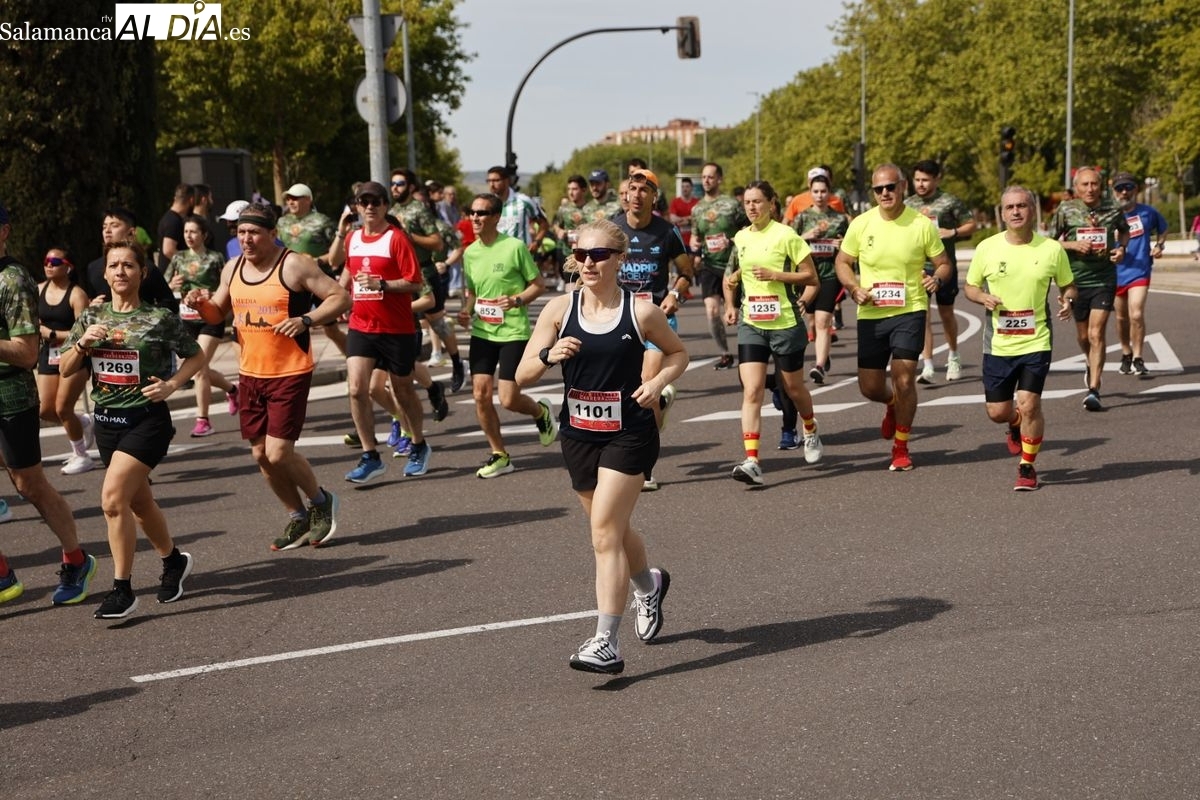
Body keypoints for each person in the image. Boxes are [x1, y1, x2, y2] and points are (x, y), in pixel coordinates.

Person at [515, 219, 688, 674]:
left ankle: (604, 641)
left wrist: (657, 383)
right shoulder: (558, 309)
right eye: (581, 253)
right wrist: (549, 356)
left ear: (619, 259)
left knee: (603, 534)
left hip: (629, 432)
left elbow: (678, 354)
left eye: (598, 255)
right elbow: (521, 376)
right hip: (578, 435)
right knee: (610, 527)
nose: (588, 262)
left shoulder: (641, 311)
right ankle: (648, 585)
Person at [184, 203, 350, 551]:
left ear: (272, 233)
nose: (246, 239)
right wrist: (200, 304)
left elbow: (340, 297)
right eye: (242, 232)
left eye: (254, 232)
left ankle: (321, 502)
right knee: (260, 455)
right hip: (249, 373)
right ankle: (297, 516)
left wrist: (306, 319)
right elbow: (217, 310)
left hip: (289, 371)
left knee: (277, 454)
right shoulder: (233, 268)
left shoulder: (294, 264)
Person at [59, 240, 207, 618]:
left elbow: (196, 355)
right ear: (104, 273)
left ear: (143, 273)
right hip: (108, 424)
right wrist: (81, 345)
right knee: (140, 503)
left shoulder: (160, 318)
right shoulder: (92, 318)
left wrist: (172, 385)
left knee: (112, 500)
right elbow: (63, 368)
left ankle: (122, 589)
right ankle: (173, 561)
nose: (121, 271)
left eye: (128, 265)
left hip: (147, 421)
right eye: (114, 265)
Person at [0, 205, 98, 609]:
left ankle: (77, 560)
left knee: (30, 486)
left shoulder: (12, 279)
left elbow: (26, 353)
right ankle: (3, 574)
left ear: (4, 231)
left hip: (10, 398)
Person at [834, 164, 953, 471]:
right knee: (870, 388)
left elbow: (943, 263)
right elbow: (843, 261)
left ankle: (901, 446)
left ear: (902, 187)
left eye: (890, 187)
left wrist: (936, 279)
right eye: (878, 189)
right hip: (872, 312)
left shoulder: (921, 224)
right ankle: (890, 405)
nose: (885, 193)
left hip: (909, 310)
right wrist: (853, 287)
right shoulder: (861, 224)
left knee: (904, 378)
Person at [964, 186, 1077, 491]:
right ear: (1002, 213)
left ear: (1032, 210)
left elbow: (1068, 285)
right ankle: (1014, 424)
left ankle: (1027, 466)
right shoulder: (987, 248)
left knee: (1029, 404)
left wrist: (1068, 299)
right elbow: (970, 287)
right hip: (998, 343)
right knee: (998, 412)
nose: (1016, 212)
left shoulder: (1051, 249)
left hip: (1036, 341)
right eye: (1010, 207)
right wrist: (982, 297)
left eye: (1022, 206)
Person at [329, 181, 432, 483]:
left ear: (386, 206)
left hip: (396, 328)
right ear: (357, 207)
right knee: (356, 389)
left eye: (376, 201)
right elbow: (347, 269)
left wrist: (383, 285)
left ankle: (418, 445)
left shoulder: (396, 239)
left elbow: (414, 281)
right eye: (364, 201)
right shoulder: (352, 238)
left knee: (402, 389)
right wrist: (339, 295)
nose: (370, 207)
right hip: (361, 325)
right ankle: (370, 455)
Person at [723, 181, 823, 485]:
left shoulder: (786, 236)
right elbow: (732, 277)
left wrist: (777, 276)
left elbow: (811, 277)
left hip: (785, 324)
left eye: (757, 202)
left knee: (793, 389)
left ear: (771, 203)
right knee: (751, 390)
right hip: (751, 324)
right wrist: (731, 302)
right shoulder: (740, 237)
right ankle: (752, 460)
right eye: (747, 203)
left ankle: (810, 428)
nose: (752, 207)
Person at [457, 193, 557, 478]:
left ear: (497, 217)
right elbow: (473, 293)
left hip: (513, 331)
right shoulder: (470, 253)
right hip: (483, 331)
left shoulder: (514, 247)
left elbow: (538, 285)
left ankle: (540, 412)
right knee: (480, 394)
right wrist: (466, 311)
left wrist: (517, 300)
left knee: (510, 399)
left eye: (483, 213)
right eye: (472, 212)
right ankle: (499, 454)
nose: (475, 218)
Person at [612, 168, 694, 491]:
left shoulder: (667, 232)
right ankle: (662, 398)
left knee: (645, 385)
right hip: (621, 321)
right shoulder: (612, 230)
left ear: (653, 197)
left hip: (657, 321)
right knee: (629, 391)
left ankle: (644, 467)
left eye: (644, 190)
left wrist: (675, 294)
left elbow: (687, 272)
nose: (636, 195)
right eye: (632, 189)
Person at [1049, 167, 1130, 411]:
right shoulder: (1066, 209)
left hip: (1103, 278)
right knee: (1083, 336)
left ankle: (1094, 389)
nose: (1090, 189)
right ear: (1076, 187)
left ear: (1101, 185)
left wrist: (1121, 249)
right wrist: (1073, 244)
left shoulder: (1113, 208)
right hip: (1074, 281)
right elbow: (1051, 241)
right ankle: (1089, 361)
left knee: (1097, 334)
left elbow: (1124, 232)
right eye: (1084, 184)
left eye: (1094, 184)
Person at [164, 215, 238, 436]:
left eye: (193, 231)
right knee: (198, 368)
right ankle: (233, 390)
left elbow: (229, 287)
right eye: (186, 232)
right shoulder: (178, 258)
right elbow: (164, 287)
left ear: (204, 234)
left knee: (198, 369)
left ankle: (203, 420)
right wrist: (171, 285)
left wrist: (212, 294)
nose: (189, 236)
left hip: (210, 317)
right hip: (186, 319)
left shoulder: (215, 258)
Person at [905, 160, 976, 383]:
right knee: (922, 315)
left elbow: (970, 224)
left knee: (946, 313)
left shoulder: (949, 201)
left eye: (925, 180)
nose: (921, 184)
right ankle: (927, 365)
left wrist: (952, 231)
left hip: (944, 266)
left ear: (937, 179)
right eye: (917, 180)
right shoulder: (908, 204)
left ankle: (953, 356)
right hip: (919, 268)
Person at [36, 247, 96, 474]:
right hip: (48, 355)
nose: (49, 265)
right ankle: (82, 422)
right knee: (44, 409)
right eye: (46, 260)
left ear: (68, 266)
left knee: (62, 408)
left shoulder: (76, 294)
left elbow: (82, 332)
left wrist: (51, 333)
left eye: (55, 261)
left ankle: (82, 456)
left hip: (75, 354)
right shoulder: (38, 289)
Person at [792, 172, 850, 385]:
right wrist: (804, 237)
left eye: (823, 191)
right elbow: (786, 244)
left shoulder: (839, 218)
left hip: (829, 275)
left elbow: (851, 247)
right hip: (806, 275)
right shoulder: (802, 218)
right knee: (810, 320)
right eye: (815, 191)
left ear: (829, 192)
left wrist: (841, 245)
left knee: (823, 320)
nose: (819, 195)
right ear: (810, 192)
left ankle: (818, 366)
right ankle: (823, 353)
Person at [690, 162, 747, 371]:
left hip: (733, 265)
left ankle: (748, 350)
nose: (706, 180)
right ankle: (725, 353)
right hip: (710, 265)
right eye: (703, 177)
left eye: (710, 177)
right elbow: (696, 237)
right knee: (712, 310)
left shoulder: (731, 204)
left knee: (738, 312)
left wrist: (731, 241)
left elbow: (747, 230)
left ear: (719, 179)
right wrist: (694, 246)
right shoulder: (697, 209)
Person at [1111, 171, 1167, 377]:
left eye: (1128, 187)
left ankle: (1138, 357)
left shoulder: (1148, 212)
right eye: (1119, 188)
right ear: (1114, 191)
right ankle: (1126, 353)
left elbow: (1163, 228)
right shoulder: (1107, 214)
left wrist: (1160, 245)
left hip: (1140, 270)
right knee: (1121, 317)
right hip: (1115, 272)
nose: (1124, 192)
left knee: (1136, 314)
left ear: (1136, 189)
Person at [84, 208, 178, 312]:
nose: (107, 231)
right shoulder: (93, 268)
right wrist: (92, 306)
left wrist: (141, 315)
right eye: (104, 226)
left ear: (131, 232)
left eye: (114, 225)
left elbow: (170, 304)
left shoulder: (147, 267)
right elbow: (89, 301)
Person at [783, 166, 848, 224]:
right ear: (808, 183)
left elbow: (843, 220)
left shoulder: (836, 200)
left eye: (819, 179)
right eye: (812, 180)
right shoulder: (798, 200)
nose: (819, 195)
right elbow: (785, 222)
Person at [156, 183, 194, 271]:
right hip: (172, 277)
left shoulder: (169, 218)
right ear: (191, 200)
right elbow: (168, 250)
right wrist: (189, 264)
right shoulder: (173, 221)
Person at [668, 176, 699, 249]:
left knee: (694, 260)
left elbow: (698, 218)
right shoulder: (675, 202)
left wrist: (683, 221)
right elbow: (672, 218)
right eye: (683, 187)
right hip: (679, 240)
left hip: (693, 240)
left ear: (691, 188)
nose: (685, 189)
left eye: (687, 186)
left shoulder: (697, 202)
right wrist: (689, 219)